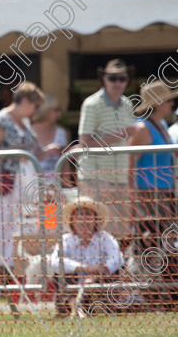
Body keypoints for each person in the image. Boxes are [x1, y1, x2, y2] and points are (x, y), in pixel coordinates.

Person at [0, 82, 45, 283]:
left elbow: (32, 150)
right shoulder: (1, 120)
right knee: (2, 230)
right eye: (35, 106)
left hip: (25, 183)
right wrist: (16, 155)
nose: (36, 111)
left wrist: (47, 151)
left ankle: (22, 282)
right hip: (4, 184)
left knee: (23, 229)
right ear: (24, 101)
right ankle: (0, 285)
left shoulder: (24, 121)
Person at [76, 59, 140, 243]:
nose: (117, 83)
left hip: (119, 177)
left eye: (122, 78)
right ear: (103, 79)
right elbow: (84, 142)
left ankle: (114, 270)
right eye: (113, 78)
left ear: (128, 81)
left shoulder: (127, 103)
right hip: (95, 176)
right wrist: (121, 134)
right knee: (97, 231)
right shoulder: (92, 104)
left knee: (121, 232)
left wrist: (130, 178)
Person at [49, 197, 122, 318]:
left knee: (114, 271)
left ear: (95, 219)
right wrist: (81, 267)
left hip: (99, 280)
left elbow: (118, 258)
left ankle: (101, 306)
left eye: (88, 215)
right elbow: (54, 261)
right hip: (74, 280)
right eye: (79, 216)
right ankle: (72, 305)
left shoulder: (105, 238)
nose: (84, 220)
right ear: (73, 221)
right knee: (59, 273)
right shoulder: (65, 240)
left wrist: (101, 270)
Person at [127, 79, 178, 253]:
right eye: (168, 100)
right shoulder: (143, 129)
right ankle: (144, 274)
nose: (172, 103)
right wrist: (133, 199)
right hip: (149, 193)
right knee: (152, 238)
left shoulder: (162, 125)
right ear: (157, 103)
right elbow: (131, 166)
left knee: (166, 237)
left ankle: (160, 276)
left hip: (166, 191)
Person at [32, 95, 68, 176]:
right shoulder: (29, 132)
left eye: (60, 110)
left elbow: (65, 162)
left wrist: (67, 184)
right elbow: (25, 160)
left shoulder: (61, 132)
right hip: (33, 182)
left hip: (55, 184)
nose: (60, 113)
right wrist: (46, 152)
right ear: (45, 110)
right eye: (56, 110)